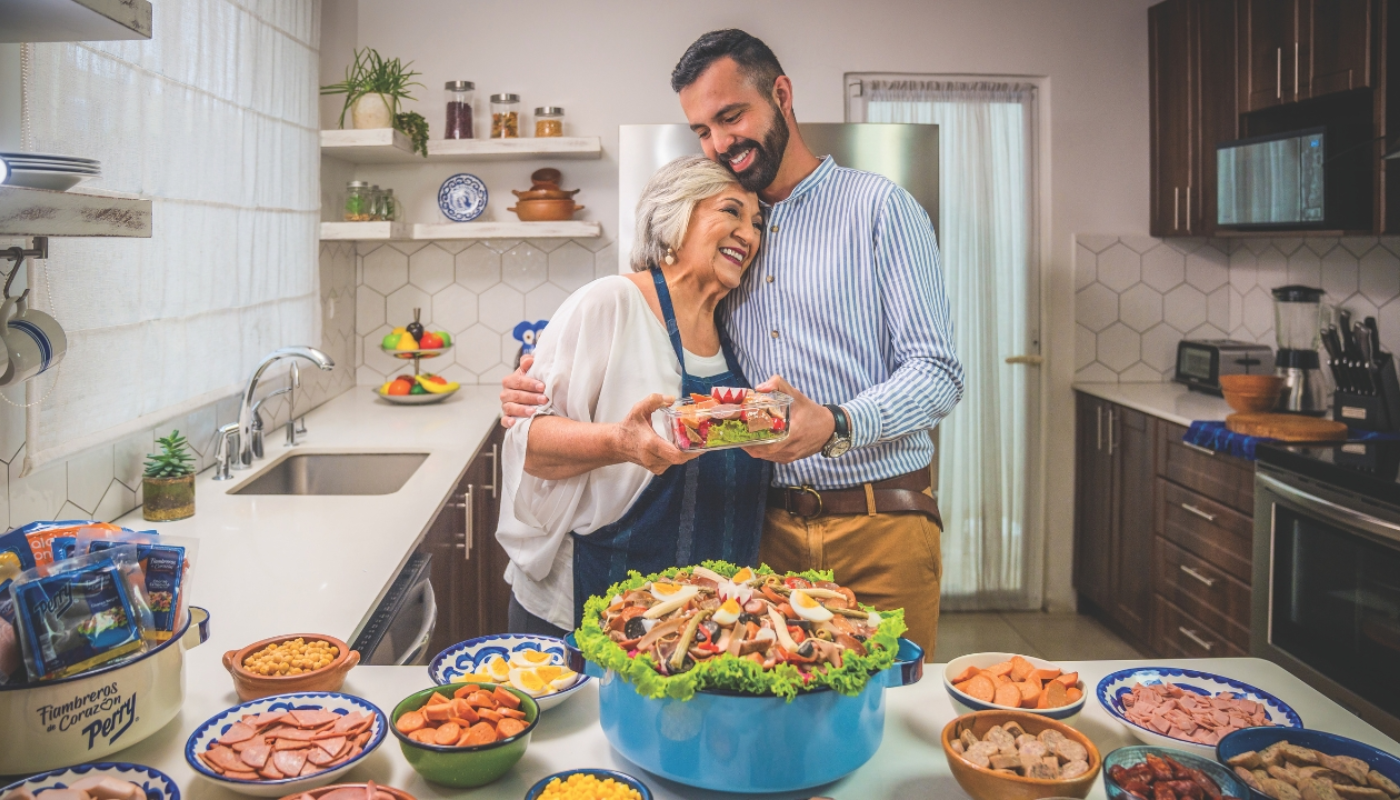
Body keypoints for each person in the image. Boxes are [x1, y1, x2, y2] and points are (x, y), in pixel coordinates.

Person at [502, 30, 964, 656]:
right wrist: (530, 383)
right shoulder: (709, 272)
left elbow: (938, 371)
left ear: (781, 94)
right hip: (760, 536)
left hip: (877, 521)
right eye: (702, 130)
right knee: (771, 722)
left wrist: (836, 423)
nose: (720, 143)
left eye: (731, 116)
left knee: (885, 710)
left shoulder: (879, 208)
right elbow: (601, 372)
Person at [495, 155, 773, 637]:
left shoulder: (737, 331)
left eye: (757, 222)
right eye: (731, 212)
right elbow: (530, 445)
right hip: (591, 595)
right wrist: (619, 442)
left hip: (707, 619)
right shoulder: (610, 302)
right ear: (674, 218)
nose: (748, 234)